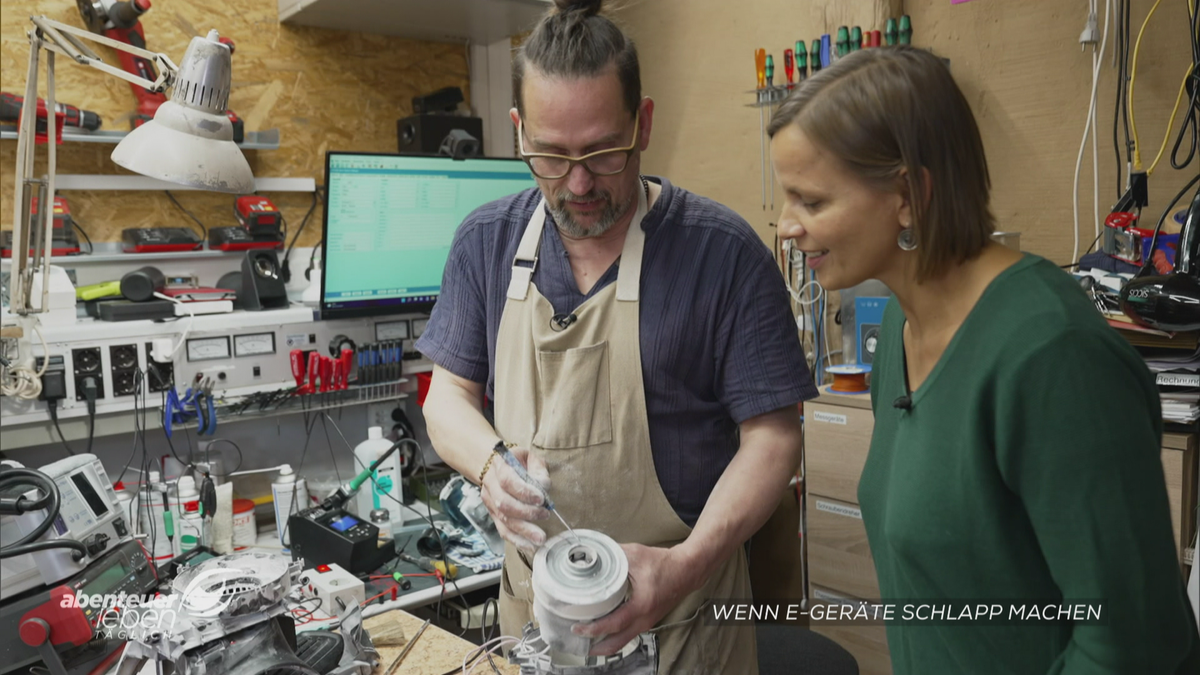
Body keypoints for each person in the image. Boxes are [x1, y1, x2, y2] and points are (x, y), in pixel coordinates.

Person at [768, 46, 1200, 674]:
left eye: (810, 201)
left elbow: (1131, 644)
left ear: (909, 195)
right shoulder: (901, 324)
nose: (786, 226)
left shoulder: (1053, 356)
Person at [415, 0, 812, 671]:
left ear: (643, 123)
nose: (577, 184)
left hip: (688, 628)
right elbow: (446, 396)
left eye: (603, 153)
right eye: (549, 154)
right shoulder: (486, 243)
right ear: (519, 133)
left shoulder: (722, 254)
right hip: (537, 633)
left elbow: (775, 438)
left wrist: (684, 566)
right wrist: (488, 465)